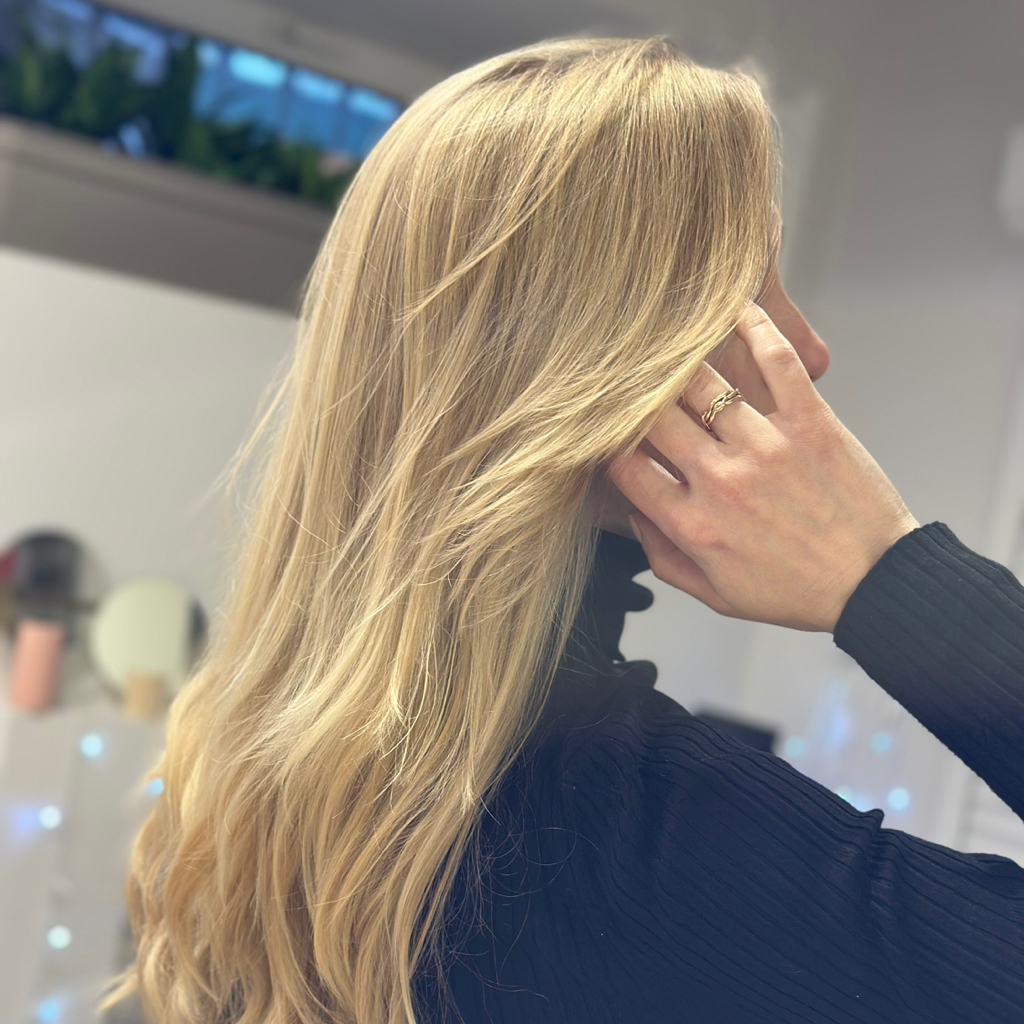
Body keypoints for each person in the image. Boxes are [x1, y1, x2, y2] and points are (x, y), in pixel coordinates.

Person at [97, 35, 1023, 1024]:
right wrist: (891, 581)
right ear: (602, 362)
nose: (806, 347)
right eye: (751, 294)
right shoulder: (636, 841)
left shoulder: (235, 764)